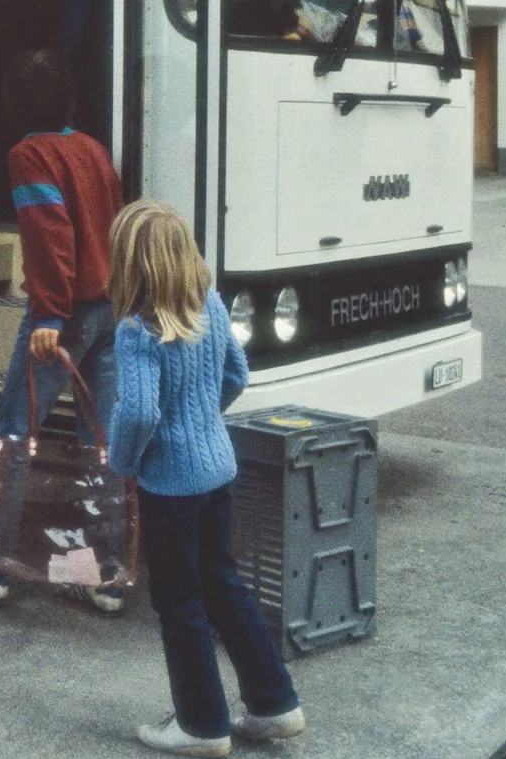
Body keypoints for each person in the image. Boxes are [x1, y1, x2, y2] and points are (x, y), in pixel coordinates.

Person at [0, 49, 126, 613]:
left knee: (13, 437)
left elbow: (49, 235)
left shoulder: (29, 154)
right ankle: (102, 574)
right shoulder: (92, 149)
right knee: (100, 446)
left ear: (14, 106)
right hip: (110, 311)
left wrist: (47, 314)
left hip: (63, 319)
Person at [106, 201, 305, 756]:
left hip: (170, 484)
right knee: (224, 584)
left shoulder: (138, 330)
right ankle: (275, 704)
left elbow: (140, 412)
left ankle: (200, 725)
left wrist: (124, 463)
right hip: (218, 469)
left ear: (131, 264)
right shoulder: (211, 307)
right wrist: (200, 423)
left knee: (179, 601)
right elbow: (236, 373)